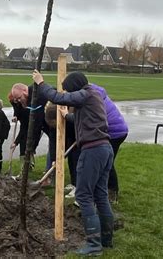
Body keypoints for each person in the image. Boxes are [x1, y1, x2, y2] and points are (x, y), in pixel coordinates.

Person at [32, 70, 114, 256]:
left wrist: (41, 82)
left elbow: (57, 97)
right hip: (104, 148)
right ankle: (107, 239)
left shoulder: (85, 94)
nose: (69, 94)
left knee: (84, 196)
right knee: (100, 195)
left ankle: (94, 244)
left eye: (70, 90)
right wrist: (66, 116)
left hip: (92, 150)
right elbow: (84, 120)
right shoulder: (94, 96)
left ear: (76, 87)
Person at [8, 83, 48, 168]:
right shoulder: (21, 104)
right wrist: (16, 142)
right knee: (24, 143)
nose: (18, 101)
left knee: (30, 143)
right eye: (15, 100)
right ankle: (25, 165)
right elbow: (24, 126)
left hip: (46, 123)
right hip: (31, 124)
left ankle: (29, 161)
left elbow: (34, 127)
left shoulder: (34, 100)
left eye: (19, 98)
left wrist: (32, 146)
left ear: (25, 91)